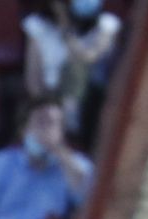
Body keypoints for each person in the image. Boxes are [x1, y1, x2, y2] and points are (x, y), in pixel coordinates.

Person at [21, 0, 121, 146]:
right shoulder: (38, 26)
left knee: (76, 70)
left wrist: (66, 28)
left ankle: (73, 130)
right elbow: (33, 81)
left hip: (90, 98)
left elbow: (88, 57)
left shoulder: (107, 25)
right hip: (52, 94)